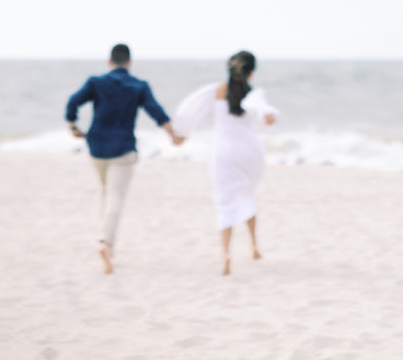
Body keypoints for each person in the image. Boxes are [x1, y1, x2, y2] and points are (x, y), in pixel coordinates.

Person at [66, 43, 182, 274]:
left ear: (110, 62)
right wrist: (173, 135)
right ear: (129, 62)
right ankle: (106, 244)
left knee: (107, 194)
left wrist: (73, 125)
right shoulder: (138, 86)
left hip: (97, 146)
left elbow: (73, 102)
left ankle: (105, 240)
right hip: (123, 149)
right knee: (115, 198)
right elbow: (155, 111)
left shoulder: (96, 82)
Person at [172, 50, 277, 276]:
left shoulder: (216, 90)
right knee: (246, 195)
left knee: (225, 200)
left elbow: (192, 108)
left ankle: (227, 254)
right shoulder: (253, 92)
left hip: (223, 153)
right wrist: (267, 115)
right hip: (249, 152)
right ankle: (254, 247)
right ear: (252, 72)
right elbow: (258, 106)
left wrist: (181, 132)